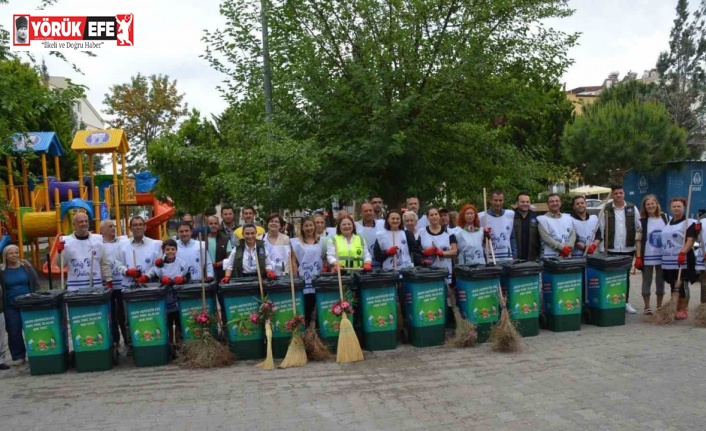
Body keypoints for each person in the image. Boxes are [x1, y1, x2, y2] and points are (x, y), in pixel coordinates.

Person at [116, 216, 162, 356]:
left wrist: (147, 275)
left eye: (140, 224)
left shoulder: (155, 244)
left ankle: (154, 338)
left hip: (149, 285)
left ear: (145, 227)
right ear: (130, 228)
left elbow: (159, 265)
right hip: (129, 287)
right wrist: (126, 271)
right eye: (134, 225)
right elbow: (117, 264)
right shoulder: (122, 245)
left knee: (150, 313)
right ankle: (131, 344)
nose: (137, 227)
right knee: (130, 316)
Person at [138, 239, 190, 353]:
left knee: (179, 322)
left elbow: (188, 277)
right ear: (163, 250)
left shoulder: (182, 264)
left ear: (176, 250)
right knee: (168, 323)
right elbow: (154, 277)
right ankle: (170, 345)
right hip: (166, 299)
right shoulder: (159, 265)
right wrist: (161, 280)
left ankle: (180, 345)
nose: (170, 251)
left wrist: (183, 279)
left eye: (173, 249)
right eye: (167, 249)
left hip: (179, 299)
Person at [599, 185, 641, 314]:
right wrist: (602, 247)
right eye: (616, 193)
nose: (618, 195)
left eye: (620, 193)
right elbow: (601, 228)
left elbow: (638, 227)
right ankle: (612, 300)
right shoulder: (606, 209)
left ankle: (625, 302)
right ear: (612, 195)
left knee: (625, 276)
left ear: (624, 194)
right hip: (612, 248)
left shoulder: (632, 208)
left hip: (628, 248)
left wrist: (638, 250)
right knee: (611, 276)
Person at [0, 245, 40, 366]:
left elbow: (36, 283)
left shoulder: (26, 267)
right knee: (14, 331)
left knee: (33, 329)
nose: (14, 255)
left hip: (29, 304)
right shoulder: (2, 271)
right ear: (5, 256)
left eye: (16, 253)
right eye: (11, 253)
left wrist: (36, 298)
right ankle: (18, 356)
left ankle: (37, 351)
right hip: (11, 306)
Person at [660, 197, 698, 320]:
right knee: (673, 284)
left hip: (683, 258)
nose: (676, 208)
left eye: (679, 206)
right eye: (674, 206)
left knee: (682, 283)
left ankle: (683, 309)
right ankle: (675, 306)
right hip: (668, 259)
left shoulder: (689, 222)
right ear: (670, 208)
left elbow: (690, 240)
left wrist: (683, 253)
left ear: (684, 207)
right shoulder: (668, 222)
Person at [56, 212, 112, 290]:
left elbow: (104, 263)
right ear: (74, 224)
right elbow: (60, 265)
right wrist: (59, 253)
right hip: (75, 288)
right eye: (80, 222)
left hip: (95, 287)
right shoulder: (66, 241)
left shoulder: (98, 240)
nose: (84, 223)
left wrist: (108, 279)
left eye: (86, 221)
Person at [634, 195, 669, 315]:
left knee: (660, 281)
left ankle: (659, 305)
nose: (650, 206)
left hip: (663, 256)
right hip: (647, 255)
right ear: (644, 206)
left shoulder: (665, 218)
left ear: (656, 204)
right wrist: (638, 256)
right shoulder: (641, 221)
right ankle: (647, 306)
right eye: (648, 204)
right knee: (646, 281)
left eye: (652, 203)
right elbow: (638, 240)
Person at [100, 220, 130, 353]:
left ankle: (128, 339)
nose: (113, 228)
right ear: (102, 230)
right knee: (110, 313)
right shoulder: (98, 244)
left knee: (123, 313)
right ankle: (115, 340)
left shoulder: (123, 241)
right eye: (110, 227)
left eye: (114, 226)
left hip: (122, 283)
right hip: (107, 284)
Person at [291, 217, 323, 325]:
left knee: (318, 303)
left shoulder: (321, 241)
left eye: (311, 225)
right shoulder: (297, 243)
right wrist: (296, 278)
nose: (309, 228)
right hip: (304, 277)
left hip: (318, 276)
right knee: (307, 304)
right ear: (302, 228)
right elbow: (294, 261)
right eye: (306, 226)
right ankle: (308, 328)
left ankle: (316, 329)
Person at [418, 208, 458, 285]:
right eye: (431, 215)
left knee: (447, 293)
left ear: (439, 216)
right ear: (427, 217)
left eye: (436, 214)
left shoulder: (449, 232)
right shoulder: (421, 232)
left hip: (446, 269)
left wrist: (442, 253)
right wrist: (424, 253)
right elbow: (417, 251)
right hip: (428, 270)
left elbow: (454, 251)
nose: (434, 217)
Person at [479, 190, 515, 263]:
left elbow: (512, 237)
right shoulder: (482, 216)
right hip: (490, 258)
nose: (498, 203)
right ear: (491, 201)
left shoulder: (510, 215)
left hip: (507, 257)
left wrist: (515, 255)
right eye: (495, 200)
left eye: (500, 200)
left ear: (503, 201)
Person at [537, 194, 576, 258]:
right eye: (551, 201)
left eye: (557, 201)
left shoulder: (568, 217)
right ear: (547, 204)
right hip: (549, 256)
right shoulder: (542, 220)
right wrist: (562, 248)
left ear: (560, 203)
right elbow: (546, 237)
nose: (555, 203)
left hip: (567, 254)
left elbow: (572, 234)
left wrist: (569, 247)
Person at [512, 192, 541, 260]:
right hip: (515, 258)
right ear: (517, 203)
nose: (525, 204)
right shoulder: (511, 217)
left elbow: (539, 238)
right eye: (522, 202)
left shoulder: (535, 217)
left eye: (527, 202)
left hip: (532, 258)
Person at [356, 203, 385, 269]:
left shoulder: (382, 224)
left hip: (380, 263)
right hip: (362, 263)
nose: (368, 213)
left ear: (373, 212)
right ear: (361, 213)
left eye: (370, 210)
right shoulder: (355, 226)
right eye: (365, 211)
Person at [207, 215, 231, 281]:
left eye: (215, 223)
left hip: (221, 271)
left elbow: (229, 257)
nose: (213, 225)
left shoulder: (225, 239)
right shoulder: (203, 239)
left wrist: (218, 264)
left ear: (219, 225)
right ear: (207, 225)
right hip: (206, 271)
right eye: (211, 224)